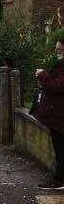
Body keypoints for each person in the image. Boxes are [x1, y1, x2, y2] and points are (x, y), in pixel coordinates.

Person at [35, 39, 64, 190]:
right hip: (57, 116)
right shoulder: (60, 66)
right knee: (59, 147)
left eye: (59, 51)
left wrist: (43, 75)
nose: (57, 53)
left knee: (60, 148)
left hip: (60, 117)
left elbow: (56, 86)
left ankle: (59, 180)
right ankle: (59, 179)